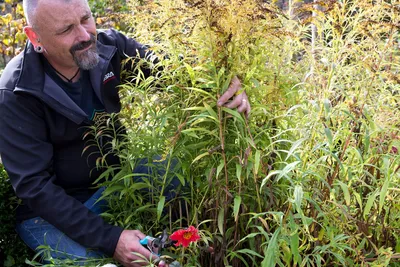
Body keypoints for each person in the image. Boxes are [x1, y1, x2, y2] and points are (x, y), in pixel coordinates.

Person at [0, 0, 251, 266]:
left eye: (86, 19)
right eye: (66, 30)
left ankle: (182, 248)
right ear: (34, 36)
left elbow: (174, 71)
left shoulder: (110, 48)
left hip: (114, 186)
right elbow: (36, 189)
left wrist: (223, 82)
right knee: (97, 264)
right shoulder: (16, 92)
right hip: (49, 216)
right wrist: (112, 239)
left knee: (170, 171)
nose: (85, 36)